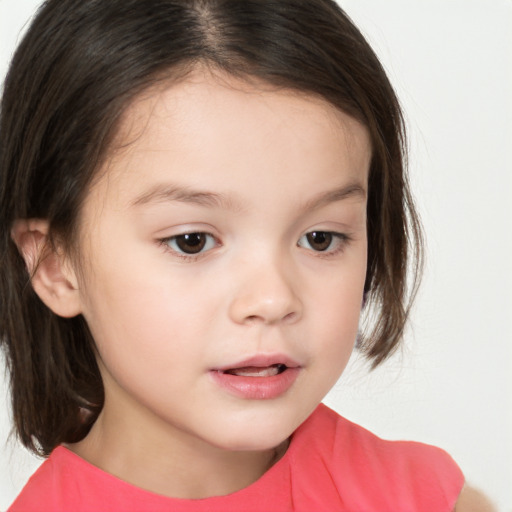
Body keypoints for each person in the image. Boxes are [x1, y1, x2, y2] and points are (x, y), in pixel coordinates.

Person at [0, 0, 493, 510]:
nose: (273, 299)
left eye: (320, 238)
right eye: (192, 240)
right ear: (56, 267)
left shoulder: (432, 499)